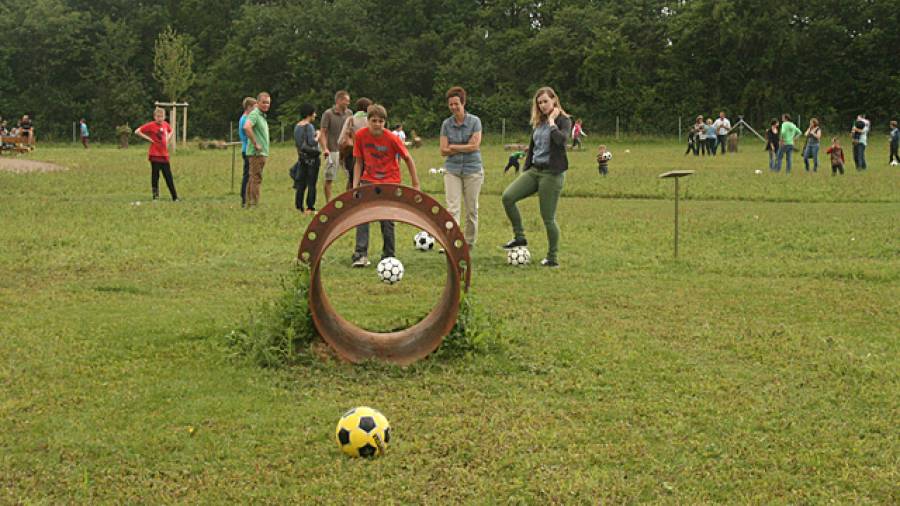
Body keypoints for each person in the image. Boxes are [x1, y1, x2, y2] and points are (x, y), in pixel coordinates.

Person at [501, 86, 572, 268]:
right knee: (508, 197)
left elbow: (561, 140)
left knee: (547, 217)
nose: (542, 105)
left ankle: (552, 258)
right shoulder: (538, 122)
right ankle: (519, 237)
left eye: (545, 101)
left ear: (554, 101)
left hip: (552, 173)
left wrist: (551, 121)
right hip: (534, 171)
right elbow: (535, 146)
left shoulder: (563, 121)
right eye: (539, 103)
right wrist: (527, 164)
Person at [350, 104, 420, 267]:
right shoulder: (360, 136)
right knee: (363, 216)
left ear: (385, 123)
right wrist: (356, 186)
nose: (377, 124)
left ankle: (389, 254)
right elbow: (358, 162)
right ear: (367, 121)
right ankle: (360, 254)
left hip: (390, 180)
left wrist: (415, 184)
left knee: (387, 219)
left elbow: (408, 158)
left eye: (381, 121)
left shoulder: (392, 138)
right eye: (374, 120)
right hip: (368, 180)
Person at [440, 86, 484, 248]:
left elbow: (475, 146)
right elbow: (443, 151)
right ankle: (451, 241)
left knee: (472, 209)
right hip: (452, 170)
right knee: (452, 209)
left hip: (473, 170)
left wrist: (454, 147)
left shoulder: (475, 121)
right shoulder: (446, 124)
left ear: (463, 103)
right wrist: (462, 146)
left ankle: (469, 242)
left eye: (456, 104)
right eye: (450, 104)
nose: (453, 107)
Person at [135, 107, 178, 201]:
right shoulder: (151, 125)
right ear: (154, 117)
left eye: (162, 116)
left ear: (164, 117)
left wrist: (168, 138)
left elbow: (171, 131)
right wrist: (148, 139)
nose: (160, 118)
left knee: (168, 176)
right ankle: (155, 197)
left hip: (164, 155)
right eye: (158, 116)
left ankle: (175, 197)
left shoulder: (166, 124)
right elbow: (137, 131)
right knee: (155, 176)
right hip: (155, 155)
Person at [319, 90, 353, 202]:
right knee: (330, 177)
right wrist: (325, 148)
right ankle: (328, 201)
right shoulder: (328, 114)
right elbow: (323, 132)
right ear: (338, 100)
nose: (348, 103)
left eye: (348, 101)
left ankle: (349, 199)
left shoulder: (350, 114)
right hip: (333, 150)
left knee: (351, 175)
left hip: (347, 151)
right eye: (346, 101)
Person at [242, 92, 271, 207]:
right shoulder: (255, 114)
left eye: (268, 103)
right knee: (256, 177)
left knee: (253, 177)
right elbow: (247, 127)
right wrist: (255, 143)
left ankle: (250, 202)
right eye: (263, 102)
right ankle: (254, 203)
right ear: (258, 102)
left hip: (262, 153)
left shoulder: (261, 115)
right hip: (256, 153)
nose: (266, 105)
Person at [338, 97, 372, 191]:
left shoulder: (351, 119)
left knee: (352, 180)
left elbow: (341, 140)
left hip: (352, 153)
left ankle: (351, 202)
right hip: (369, 154)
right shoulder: (372, 120)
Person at [292, 103, 321, 215]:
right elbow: (312, 142)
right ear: (310, 113)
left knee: (301, 184)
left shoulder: (297, 126)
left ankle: (299, 206)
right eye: (314, 112)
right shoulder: (309, 126)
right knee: (311, 184)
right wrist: (318, 134)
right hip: (312, 158)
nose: (315, 114)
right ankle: (310, 207)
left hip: (302, 158)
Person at [238, 96, 257, 207]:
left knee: (248, 175)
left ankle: (246, 198)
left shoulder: (244, 118)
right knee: (248, 176)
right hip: (247, 150)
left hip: (247, 149)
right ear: (249, 107)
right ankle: (245, 198)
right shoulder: (246, 119)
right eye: (254, 107)